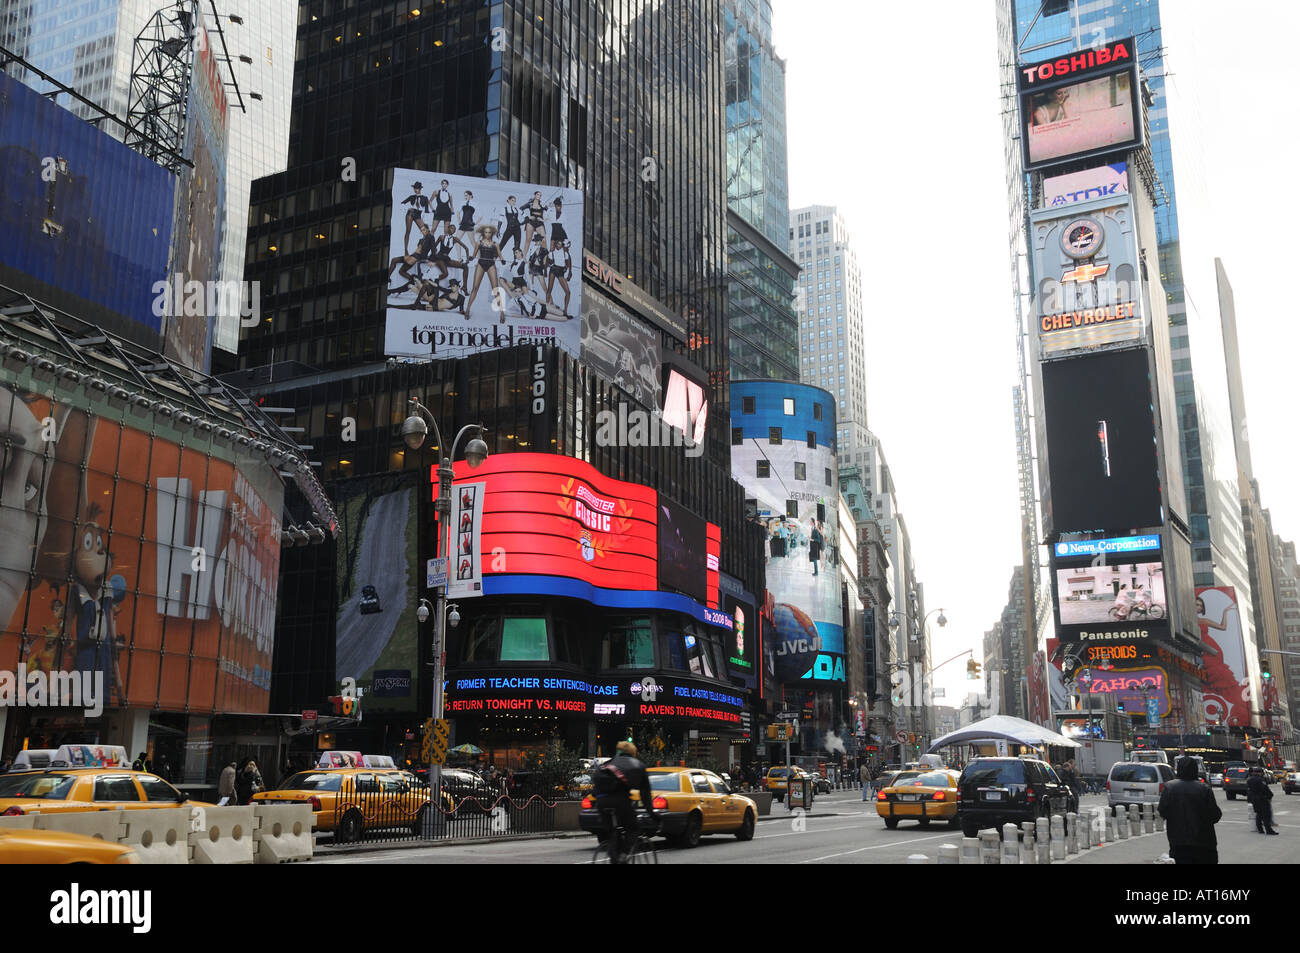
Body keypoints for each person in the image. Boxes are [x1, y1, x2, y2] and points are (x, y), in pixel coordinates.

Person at [593, 740, 659, 862]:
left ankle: (614, 855)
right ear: (633, 752)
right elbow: (645, 795)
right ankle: (623, 854)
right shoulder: (638, 765)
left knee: (612, 831)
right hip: (620, 801)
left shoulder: (609, 763)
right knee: (633, 828)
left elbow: (595, 787)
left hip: (601, 802)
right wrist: (652, 814)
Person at [1159, 756, 1223, 864]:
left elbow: (1163, 811)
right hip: (1204, 843)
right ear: (1195, 770)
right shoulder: (1204, 789)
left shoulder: (1169, 788)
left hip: (1178, 842)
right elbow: (1215, 815)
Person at [1247, 766, 1279, 835]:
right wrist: (1270, 795)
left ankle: (1260, 829)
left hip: (1254, 799)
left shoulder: (1249, 779)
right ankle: (1268, 830)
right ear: (1260, 773)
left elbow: (1249, 790)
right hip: (1261, 799)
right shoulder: (1260, 780)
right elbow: (1265, 789)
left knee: (1259, 814)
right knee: (1266, 814)